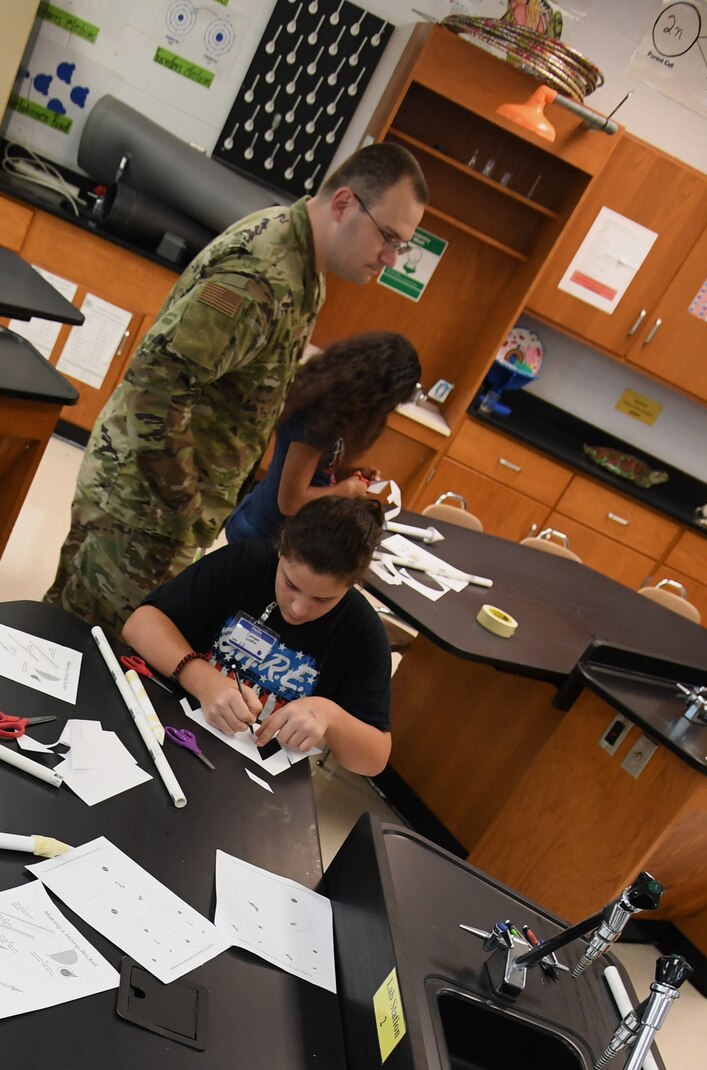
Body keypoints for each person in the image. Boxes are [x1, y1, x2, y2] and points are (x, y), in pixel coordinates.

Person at [47, 142, 427, 635]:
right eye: (389, 238)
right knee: (87, 649)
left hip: (159, 508)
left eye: (402, 246)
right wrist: (183, 509)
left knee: (66, 639)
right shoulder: (261, 275)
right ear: (344, 204)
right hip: (144, 510)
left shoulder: (306, 270)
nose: (392, 259)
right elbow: (155, 389)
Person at [123, 496, 393, 776]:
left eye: (323, 599)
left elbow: (374, 760)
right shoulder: (244, 563)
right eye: (290, 584)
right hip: (170, 727)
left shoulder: (361, 632)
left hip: (255, 774)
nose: (299, 608)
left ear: (351, 585)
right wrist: (201, 679)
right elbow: (140, 624)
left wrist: (331, 716)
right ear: (282, 546)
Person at [224, 332, 420, 545]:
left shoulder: (337, 412)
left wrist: (346, 475)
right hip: (261, 533)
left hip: (275, 528)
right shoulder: (318, 420)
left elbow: (310, 471)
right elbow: (290, 502)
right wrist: (346, 491)